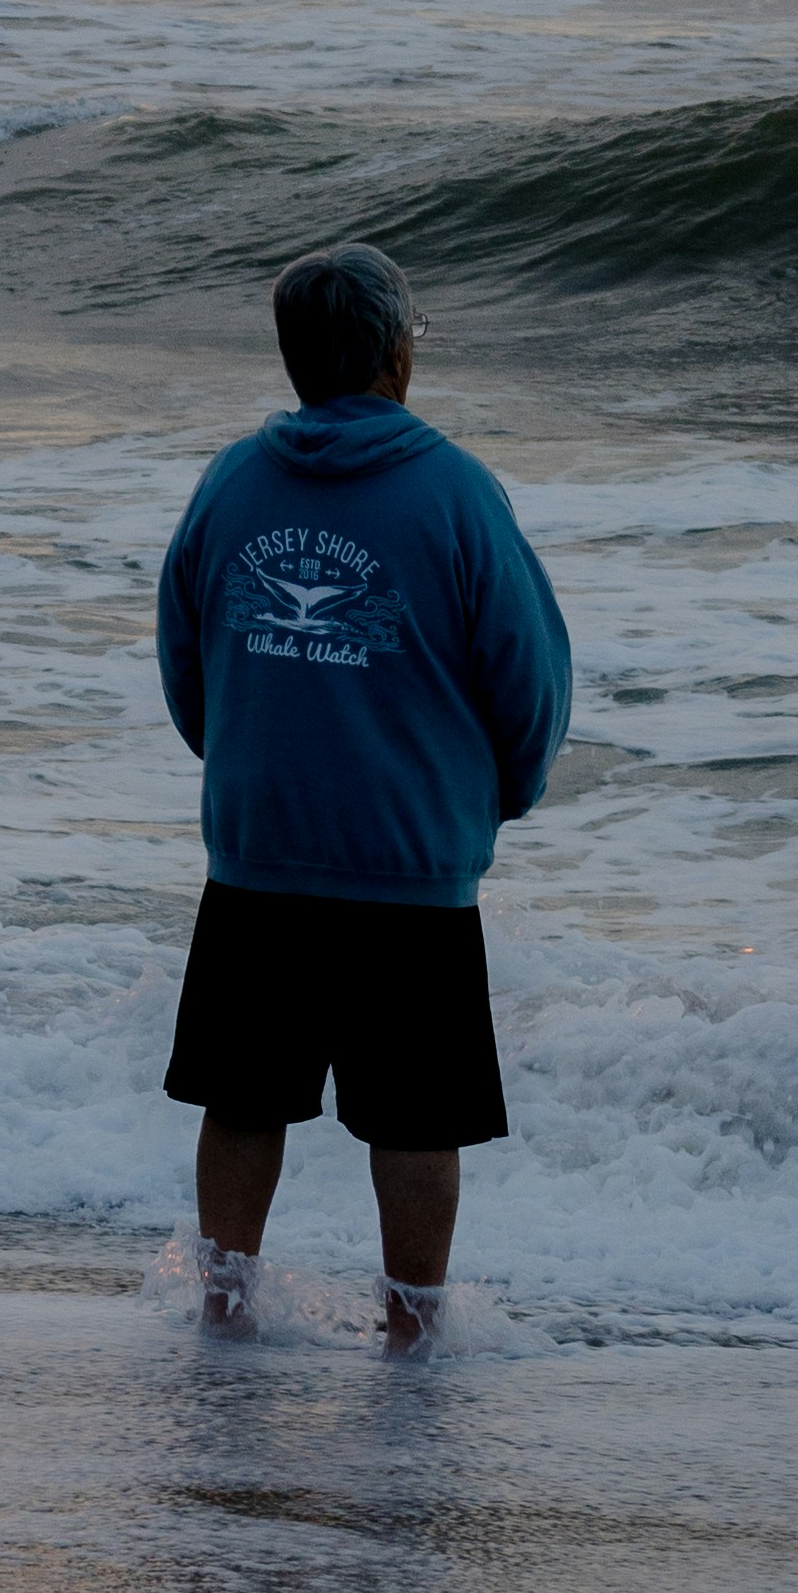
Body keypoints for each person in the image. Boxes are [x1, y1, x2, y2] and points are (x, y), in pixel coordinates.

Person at [153, 239, 571, 1347]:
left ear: (294, 357)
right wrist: (503, 796)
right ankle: (411, 1330)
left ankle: (223, 1308)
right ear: (394, 352)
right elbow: (525, 679)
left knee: (242, 1100)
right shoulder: (453, 491)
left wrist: (249, 763)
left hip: (259, 852)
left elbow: (185, 657)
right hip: (409, 862)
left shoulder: (233, 480)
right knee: (415, 1118)